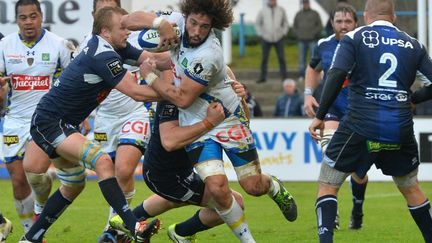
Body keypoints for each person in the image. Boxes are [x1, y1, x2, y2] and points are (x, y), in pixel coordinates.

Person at [122, 1, 297, 242]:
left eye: (204, 27)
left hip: (226, 117)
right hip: (199, 122)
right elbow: (127, 21)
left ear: (213, 26)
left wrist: (149, 75)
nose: (195, 31)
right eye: (193, 23)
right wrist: (160, 24)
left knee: (253, 186)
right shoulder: (177, 21)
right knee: (217, 187)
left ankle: (274, 186)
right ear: (186, 16)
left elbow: (182, 99)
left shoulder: (210, 54)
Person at [19, 6, 177, 243]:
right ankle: (134, 226)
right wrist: (176, 94)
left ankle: (30, 238)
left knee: (73, 184)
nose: (127, 32)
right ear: (105, 31)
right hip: (51, 121)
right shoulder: (103, 55)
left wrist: (177, 46)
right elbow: (136, 92)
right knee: (103, 162)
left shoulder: (117, 47)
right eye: (122, 28)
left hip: (57, 122)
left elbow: (155, 60)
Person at [308, 0, 432, 242]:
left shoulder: (354, 38)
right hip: (399, 129)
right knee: (410, 187)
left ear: (366, 16)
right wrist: (413, 98)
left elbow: (335, 75)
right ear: (393, 17)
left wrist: (320, 116)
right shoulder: (414, 44)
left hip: (359, 126)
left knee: (328, 183)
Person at [109, 83, 251, 242]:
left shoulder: (211, 86)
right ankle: (181, 232)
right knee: (234, 202)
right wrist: (209, 122)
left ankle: (128, 220)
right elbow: (169, 142)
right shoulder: (174, 96)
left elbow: (243, 122)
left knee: (173, 200)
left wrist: (241, 99)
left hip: (179, 172)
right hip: (167, 174)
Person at [0, 0, 74, 233]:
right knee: (18, 178)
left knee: (35, 174)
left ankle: (39, 211)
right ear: (17, 20)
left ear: (41, 16)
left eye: (33, 16)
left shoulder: (60, 45)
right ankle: (29, 231)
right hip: (13, 119)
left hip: (45, 119)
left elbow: (73, 82)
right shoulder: (4, 46)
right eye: (23, 18)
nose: (28, 22)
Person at [304, 3, 367, 230]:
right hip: (333, 108)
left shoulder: (365, 44)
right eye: (339, 21)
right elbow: (313, 68)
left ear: (356, 23)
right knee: (330, 152)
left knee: (359, 173)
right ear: (332, 23)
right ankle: (332, 209)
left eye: (348, 21)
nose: (343, 25)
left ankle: (357, 210)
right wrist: (308, 94)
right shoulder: (323, 45)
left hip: (359, 111)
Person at [255, 0, 289, 83]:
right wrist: (261, 34)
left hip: (279, 38)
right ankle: (263, 77)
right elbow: (257, 23)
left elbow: (285, 22)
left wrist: (284, 32)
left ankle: (284, 77)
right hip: (266, 38)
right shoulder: (263, 10)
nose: (273, 1)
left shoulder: (281, 10)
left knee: (281, 58)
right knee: (264, 59)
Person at [293, 0, 323, 78]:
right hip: (301, 40)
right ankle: (302, 75)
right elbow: (294, 26)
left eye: (306, 3)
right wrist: (298, 34)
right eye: (304, 3)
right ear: (302, 4)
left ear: (309, 3)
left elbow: (320, 26)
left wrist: (314, 33)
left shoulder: (315, 13)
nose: (305, 4)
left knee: (313, 58)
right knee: (301, 59)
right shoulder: (298, 14)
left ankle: (313, 75)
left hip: (312, 40)